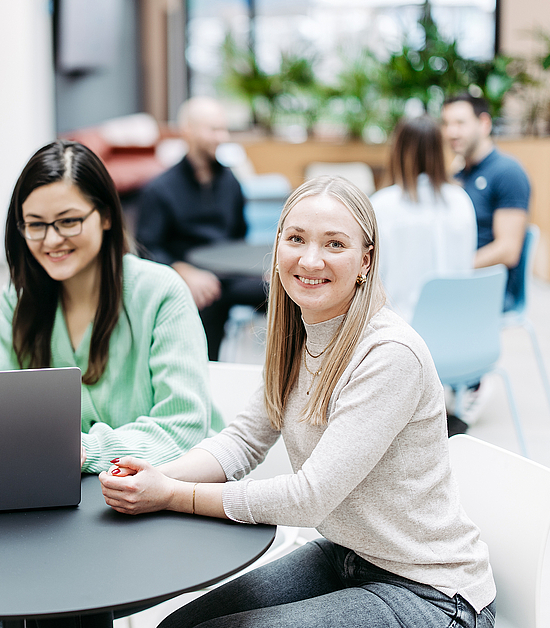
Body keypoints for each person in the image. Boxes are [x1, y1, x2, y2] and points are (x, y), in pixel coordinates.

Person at [99, 176, 496, 628]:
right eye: (296, 239)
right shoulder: (295, 337)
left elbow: (309, 498)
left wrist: (173, 496)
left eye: (335, 244)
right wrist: (154, 477)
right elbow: (243, 441)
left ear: (365, 260)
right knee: (179, 627)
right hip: (349, 555)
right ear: (277, 248)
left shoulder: (389, 355)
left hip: (432, 593)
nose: (310, 259)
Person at [0, 139, 217, 475]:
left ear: (107, 216)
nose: (51, 240)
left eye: (68, 221)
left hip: (169, 491)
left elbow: (183, 426)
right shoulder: (19, 298)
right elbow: (4, 418)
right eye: (36, 225)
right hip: (66, 496)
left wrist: (85, 450)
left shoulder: (160, 292)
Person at [135, 96, 267, 360]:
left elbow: (240, 235)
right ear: (188, 131)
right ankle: (206, 375)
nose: (222, 137)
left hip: (230, 274)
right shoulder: (160, 189)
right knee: (205, 296)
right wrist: (184, 272)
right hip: (188, 276)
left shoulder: (230, 181)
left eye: (223, 129)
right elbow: (147, 248)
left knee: (283, 291)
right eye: (213, 129)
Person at [372, 114, 477, 321]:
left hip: (402, 331)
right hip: (460, 325)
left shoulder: (381, 205)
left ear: (397, 151)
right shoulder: (461, 200)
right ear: (440, 151)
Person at [442, 93, 530, 311]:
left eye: (460, 123)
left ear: (484, 124)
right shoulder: (459, 173)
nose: (451, 132)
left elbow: (508, 250)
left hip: (489, 288)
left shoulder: (507, 172)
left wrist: (451, 268)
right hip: (460, 281)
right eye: (446, 124)